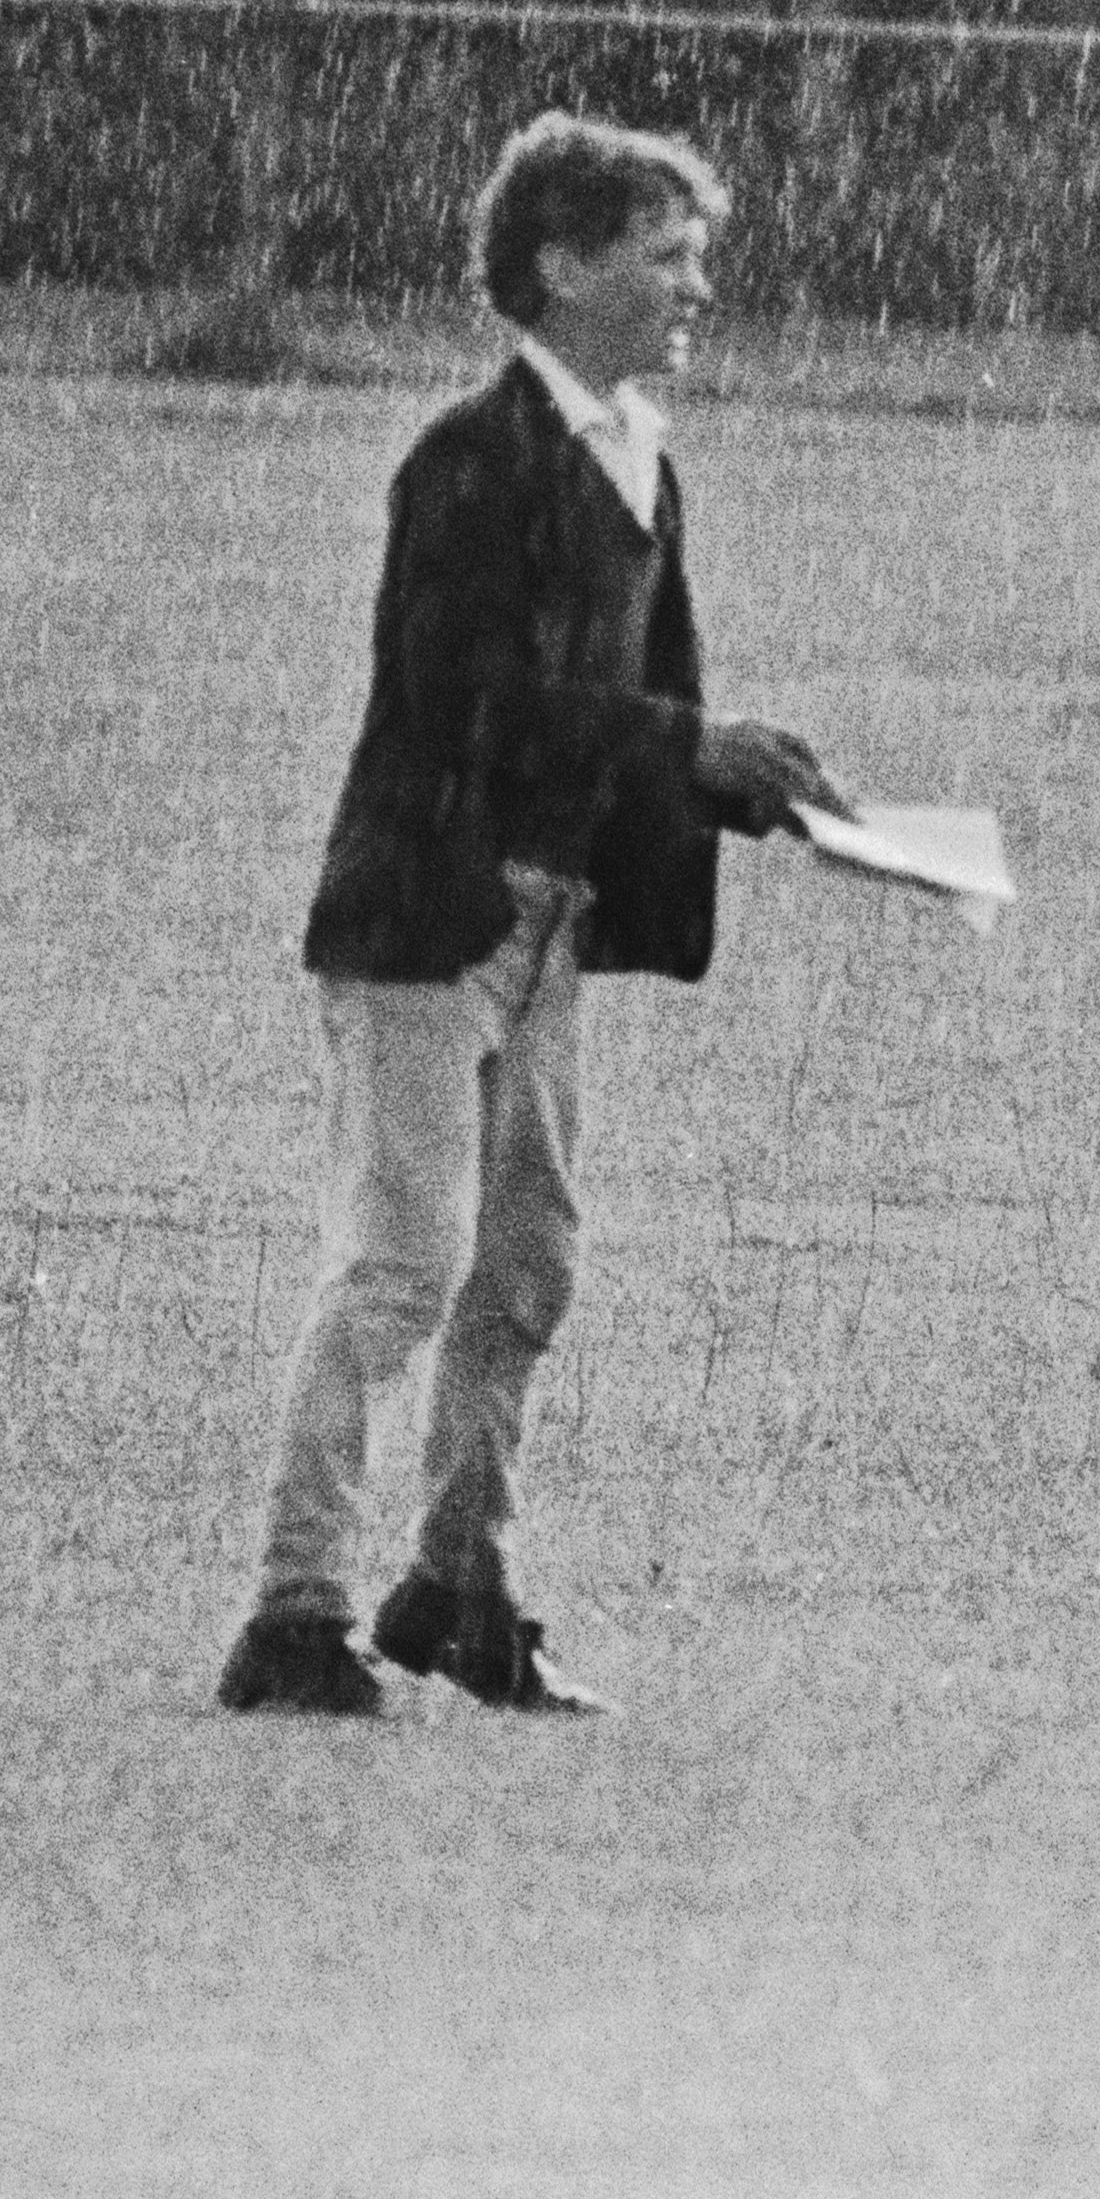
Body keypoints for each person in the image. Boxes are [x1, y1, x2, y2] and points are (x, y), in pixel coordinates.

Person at [213, 113, 845, 1716]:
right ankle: (293, 1609)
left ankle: (458, 1586)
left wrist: (735, 782)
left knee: (526, 1271)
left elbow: (639, 706)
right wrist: (680, 746)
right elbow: (471, 701)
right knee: (401, 1271)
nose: (697, 282)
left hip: (550, 925)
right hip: (432, 918)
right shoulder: (468, 462)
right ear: (561, 266)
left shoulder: (642, 460)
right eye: (666, 252)